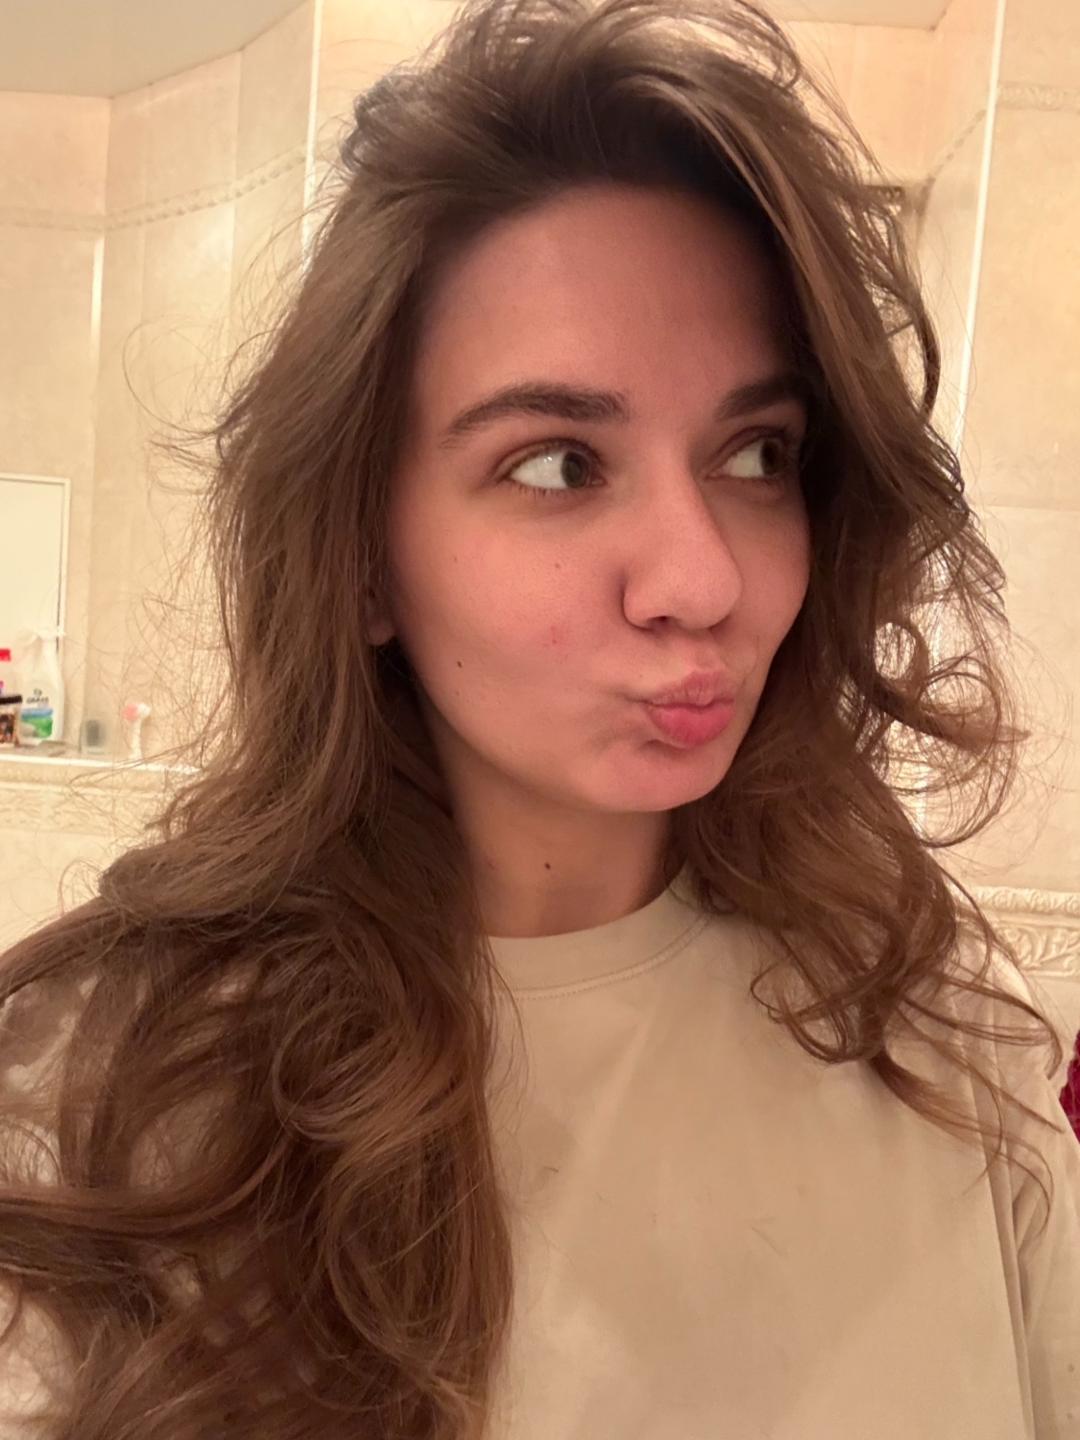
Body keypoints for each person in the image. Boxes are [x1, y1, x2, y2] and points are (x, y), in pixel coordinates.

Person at [1, 1, 1078, 1436]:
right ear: (362, 558)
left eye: (757, 455)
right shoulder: (109, 1104)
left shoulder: (938, 1041)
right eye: (559, 464)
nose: (704, 580)